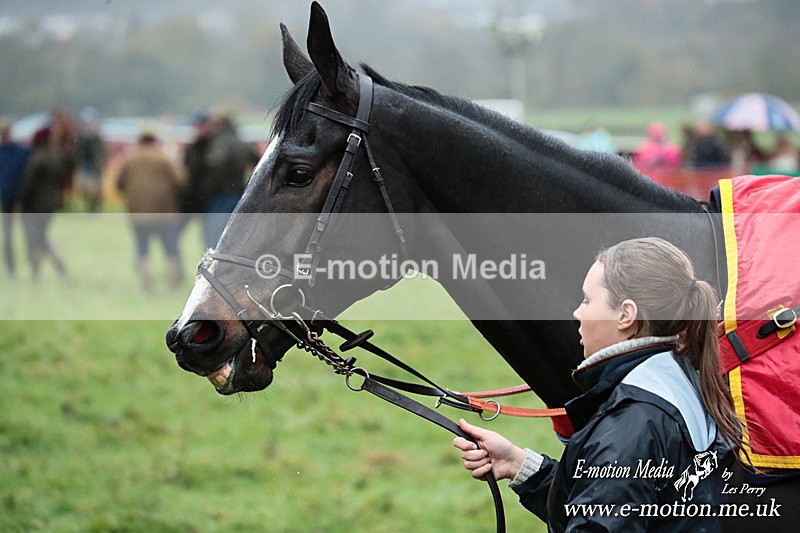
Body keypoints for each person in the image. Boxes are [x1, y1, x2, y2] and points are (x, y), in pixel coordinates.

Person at [453, 237, 744, 532]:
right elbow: (615, 499)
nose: (578, 313)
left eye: (587, 301)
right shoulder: (679, 379)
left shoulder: (632, 422)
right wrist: (518, 464)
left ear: (626, 315)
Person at [116, 131, 185, 292]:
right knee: (170, 247)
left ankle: (146, 284)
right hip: (164, 212)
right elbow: (180, 180)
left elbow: (119, 183)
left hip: (138, 212)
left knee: (142, 248)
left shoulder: (129, 158)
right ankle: (174, 284)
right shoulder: (164, 158)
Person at [201, 114, 258, 250]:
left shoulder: (218, 142)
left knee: (214, 239)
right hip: (239, 193)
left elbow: (214, 163)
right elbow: (257, 161)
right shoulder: (241, 141)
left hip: (218, 196)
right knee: (237, 235)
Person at [18, 127, 67, 280]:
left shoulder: (36, 158)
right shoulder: (54, 157)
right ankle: (49, 268)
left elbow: (28, 183)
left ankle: (44, 268)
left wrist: (20, 200)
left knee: (36, 238)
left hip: (35, 206)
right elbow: (61, 179)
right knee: (41, 237)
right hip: (50, 204)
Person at [0, 119, 30, 277]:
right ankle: (11, 270)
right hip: (6, 199)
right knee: (7, 236)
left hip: (21, 198)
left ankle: (33, 268)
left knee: (27, 233)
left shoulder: (22, 150)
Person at [75, 106, 108, 212]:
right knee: (84, 188)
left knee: (97, 190)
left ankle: (95, 209)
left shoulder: (98, 137)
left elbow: (104, 152)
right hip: (84, 165)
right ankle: (90, 207)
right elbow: (77, 152)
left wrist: (102, 163)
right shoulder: (80, 137)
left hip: (96, 166)